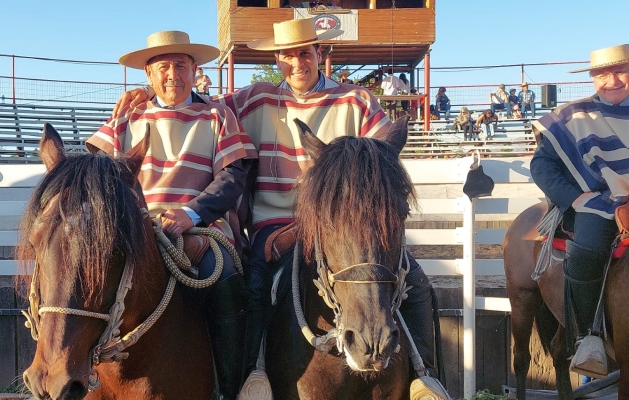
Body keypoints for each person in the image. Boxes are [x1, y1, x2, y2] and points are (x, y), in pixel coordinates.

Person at [111, 18, 450, 400]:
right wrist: (145, 92)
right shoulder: (254, 98)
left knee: (416, 281)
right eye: (287, 56)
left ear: (320, 54)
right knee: (255, 286)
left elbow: (383, 158)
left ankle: (425, 373)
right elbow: (187, 106)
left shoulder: (358, 101)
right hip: (274, 228)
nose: (297, 63)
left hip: (345, 227)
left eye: (305, 53)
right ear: (277, 60)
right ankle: (253, 376)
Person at [85, 30, 258, 400]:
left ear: (195, 70)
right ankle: (74, 373)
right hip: (136, 229)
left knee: (225, 276)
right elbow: (99, 170)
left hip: (201, 227)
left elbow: (232, 177)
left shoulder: (217, 115)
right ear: (148, 75)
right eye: (163, 67)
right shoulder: (126, 117)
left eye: (181, 65)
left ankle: (231, 386)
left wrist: (191, 214)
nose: (172, 75)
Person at [530, 43, 629, 379]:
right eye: (602, 73)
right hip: (599, 204)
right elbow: (542, 166)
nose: (612, 80)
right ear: (593, 78)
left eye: (621, 71)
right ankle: (588, 338)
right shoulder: (572, 116)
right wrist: (575, 199)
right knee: (586, 248)